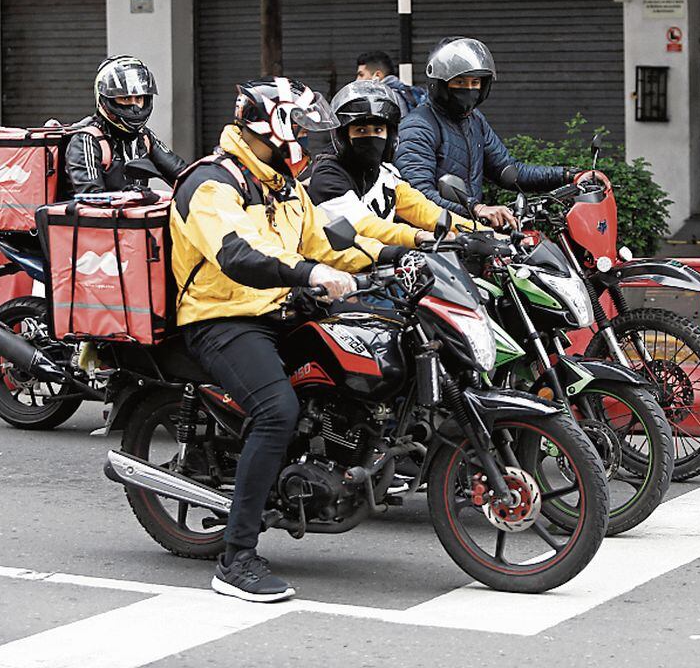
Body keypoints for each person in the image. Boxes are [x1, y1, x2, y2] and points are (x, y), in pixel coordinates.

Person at [171, 77, 400, 603]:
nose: (304, 137)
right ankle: (236, 559)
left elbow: (332, 243)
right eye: (296, 126)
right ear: (269, 127)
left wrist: (407, 254)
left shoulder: (281, 184)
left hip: (279, 307)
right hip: (221, 317)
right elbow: (239, 256)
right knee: (277, 410)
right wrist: (310, 274)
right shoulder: (212, 186)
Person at [394, 37, 574, 230]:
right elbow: (418, 196)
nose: (469, 89)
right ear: (440, 84)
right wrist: (476, 208)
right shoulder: (418, 126)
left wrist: (568, 175)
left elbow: (508, 171)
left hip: (468, 232)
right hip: (433, 241)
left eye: (475, 82)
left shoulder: (474, 121)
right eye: (460, 81)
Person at [307, 80, 472, 246]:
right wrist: (417, 236)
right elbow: (363, 226)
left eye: (378, 130)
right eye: (361, 130)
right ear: (343, 136)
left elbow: (423, 210)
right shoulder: (328, 178)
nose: (371, 138)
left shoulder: (386, 173)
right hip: (333, 269)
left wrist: (475, 231)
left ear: (390, 136)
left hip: (381, 266)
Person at [65, 55, 187, 194]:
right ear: (106, 100)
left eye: (139, 98)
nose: (134, 106)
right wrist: (129, 197)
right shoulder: (87, 140)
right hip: (92, 216)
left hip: (132, 215)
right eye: (125, 98)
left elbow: (182, 174)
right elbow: (91, 200)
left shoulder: (143, 137)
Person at [355, 50, 425, 114]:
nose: (357, 80)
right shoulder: (405, 92)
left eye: (361, 75)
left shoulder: (385, 99)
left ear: (377, 75)